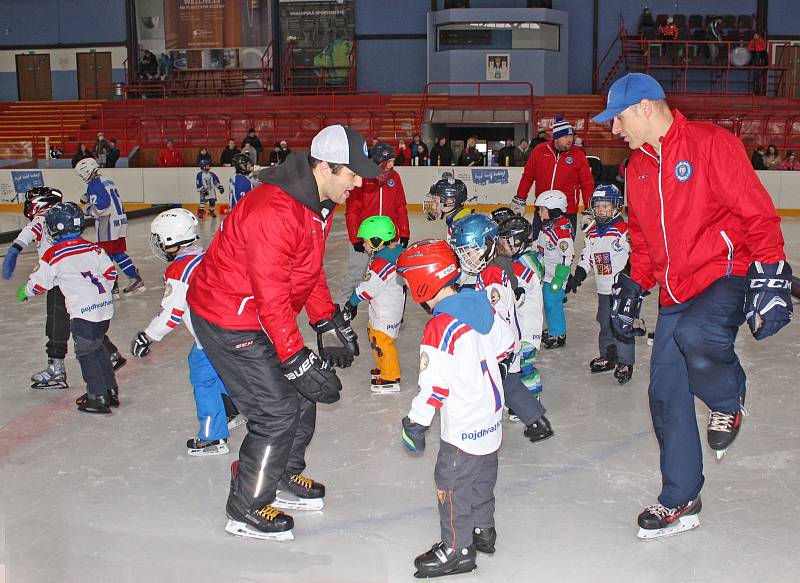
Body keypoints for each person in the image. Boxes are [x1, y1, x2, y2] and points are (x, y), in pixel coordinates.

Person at [593, 72, 791, 539]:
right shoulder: (636, 167)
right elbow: (641, 239)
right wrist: (632, 284)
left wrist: (771, 272)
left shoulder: (709, 143)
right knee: (665, 394)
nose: (614, 130)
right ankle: (681, 497)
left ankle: (726, 399)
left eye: (618, 119)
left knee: (697, 336)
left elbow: (756, 213)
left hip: (724, 272)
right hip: (674, 289)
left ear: (644, 107)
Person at [186, 124, 379, 541]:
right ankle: (247, 506)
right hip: (229, 316)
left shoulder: (318, 204)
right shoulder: (275, 210)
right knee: (275, 412)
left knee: (301, 394)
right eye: (353, 173)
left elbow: (306, 271)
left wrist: (325, 320)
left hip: (259, 313)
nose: (360, 182)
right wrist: (293, 357)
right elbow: (270, 291)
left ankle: (284, 475)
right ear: (325, 167)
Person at [396, 239, 515, 579]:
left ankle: (457, 550)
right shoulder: (478, 303)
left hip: (463, 424)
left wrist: (416, 423)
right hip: (491, 419)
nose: (406, 287)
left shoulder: (440, 326)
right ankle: (483, 530)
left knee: (451, 482)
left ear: (423, 280)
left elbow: (434, 387)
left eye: (407, 281)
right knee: (481, 477)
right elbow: (506, 344)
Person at [131, 208, 242, 456]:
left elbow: (171, 313)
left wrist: (147, 336)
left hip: (211, 336)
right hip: (234, 329)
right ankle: (231, 409)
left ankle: (213, 438)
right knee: (218, 368)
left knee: (204, 379)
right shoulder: (210, 256)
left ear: (170, 240)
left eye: (160, 238)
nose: (158, 243)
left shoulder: (179, 270)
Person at [3, 187, 125, 390]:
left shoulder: (45, 217)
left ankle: (57, 368)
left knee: (57, 325)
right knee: (85, 322)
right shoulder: (64, 216)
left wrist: (15, 249)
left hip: (59, 280)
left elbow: (29, 231)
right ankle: (110, 353)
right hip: (79, 280)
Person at [450, 213, 553, 443]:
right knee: (512, 386)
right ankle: (538, 421)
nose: (466, 257)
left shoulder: (493, 273)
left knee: (502, 384)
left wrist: (501, 354)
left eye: (470, 251)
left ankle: (525, 422)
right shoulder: (497, 265)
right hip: (506, 342)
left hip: (501, 345)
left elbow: (496, 311)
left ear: (487, 245)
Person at [565, 184, 634, 384]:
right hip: (603, 288)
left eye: (606, 206)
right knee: (604, 321)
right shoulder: (592, 233)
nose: (601, 210)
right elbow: (588, 258)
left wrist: (630, 274)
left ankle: (625, 361)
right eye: (598, 206)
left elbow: (636, 252)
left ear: (616, 208)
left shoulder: (622, 229)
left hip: (623, 289)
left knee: (621, 324)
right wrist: (577, 275)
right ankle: (608, 355)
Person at [339, 142, 410, 304]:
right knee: (356, 273)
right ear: (379, 161)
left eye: (393, 161)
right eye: (389, 161)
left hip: (388, 236)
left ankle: (394, 309)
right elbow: (352, 210)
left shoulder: (395, 177)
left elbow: (400, 206)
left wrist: (404, 232)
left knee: (392, 274)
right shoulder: (362, 178)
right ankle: (344, 307)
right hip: (365, 237)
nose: (392, 165)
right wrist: (355, 238)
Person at [342, 215, 406, 393]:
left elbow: (368, 287)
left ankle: (391, 377)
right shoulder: (390, 253)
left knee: (383, 341)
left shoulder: (382, 263)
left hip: (387, 311)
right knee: (374, 335)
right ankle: (384, 368)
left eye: (366, 242)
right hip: (383, 306)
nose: (364, 245)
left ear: (377, 241)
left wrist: (352, 302)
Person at [513, 116, 594, 239]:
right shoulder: (540, 150)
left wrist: (589, 208)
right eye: (566, 136)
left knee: (564, 251)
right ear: (556, 137)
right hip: (542, 211)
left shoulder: (578, 154)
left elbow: (587, 183)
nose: (570, 140)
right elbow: (528, 177)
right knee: (538, 249)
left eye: (571, 136)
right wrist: (520, 199)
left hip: (567, 212)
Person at [493, 211, 545, 401]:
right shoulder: (516, 259)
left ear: (520, 241)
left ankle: (532, 399)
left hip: (527, 327)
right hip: (517, 325)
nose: (502, 246)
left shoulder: (528, 261)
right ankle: (517, 399)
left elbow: (516, 285)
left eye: (506, 241)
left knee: (525, 365)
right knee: (514, 363)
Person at [76, 158, 145, 295]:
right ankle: (134, 280)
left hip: (107, 225)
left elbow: (102, 206)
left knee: (105, 256)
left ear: (86, 171)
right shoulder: (106, 180)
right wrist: (89, 196)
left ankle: (113, 285)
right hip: (119, 221)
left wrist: (87, 208)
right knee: (117, 253)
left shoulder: (94, 184)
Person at [533, 189, 574, 350]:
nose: (538, 213)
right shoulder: (548, 227)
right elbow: (540, 245)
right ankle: (553, 328)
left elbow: (567, 257)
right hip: (547, 274)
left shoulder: (561, 233)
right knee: (549, 303)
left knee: (552, 304)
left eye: (541, 209)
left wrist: (560, 278)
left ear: (553, 210)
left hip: (556, 276)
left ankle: (558, 334)